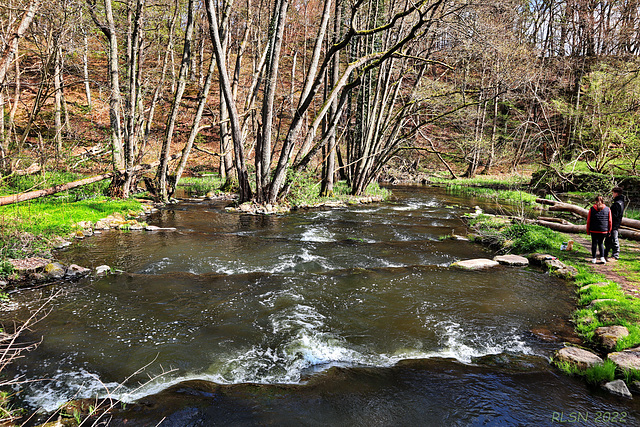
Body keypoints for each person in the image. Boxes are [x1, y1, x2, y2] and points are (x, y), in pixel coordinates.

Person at [586, 196, 612, 264]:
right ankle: (602, 258)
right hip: (603, 230)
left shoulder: (591, 209)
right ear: (603, 201)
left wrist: (588, 230)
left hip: (593, 230)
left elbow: (588, 220)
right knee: (601, 243)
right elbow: (610, 221)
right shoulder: (607, 209)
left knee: (594, 243)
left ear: (595, 201)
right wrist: (609, 230)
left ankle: (594, 258)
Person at [605, 186, 625, 260]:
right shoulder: (620, 202)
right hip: (614, 223)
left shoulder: (617, 204)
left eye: (613, 193)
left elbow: (614, 215)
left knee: (614, 238)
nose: (612, 195)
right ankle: (606, 252)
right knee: (609, 238)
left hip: (614, 224)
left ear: (616, 193)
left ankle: (615, 254)